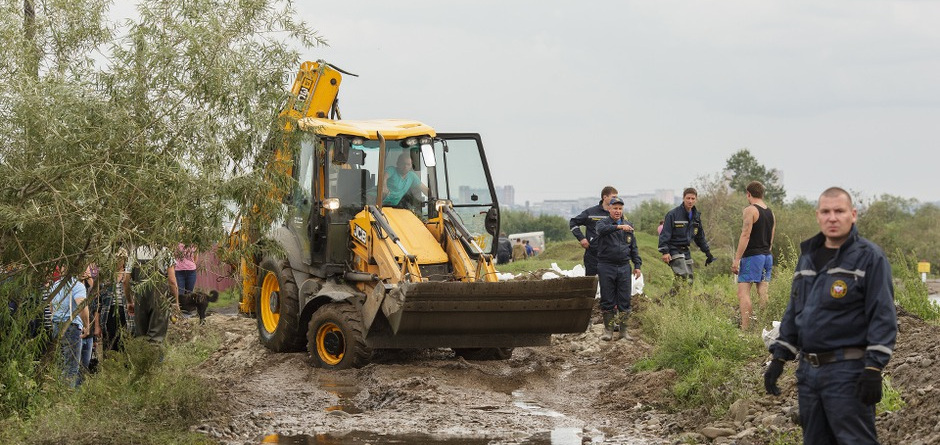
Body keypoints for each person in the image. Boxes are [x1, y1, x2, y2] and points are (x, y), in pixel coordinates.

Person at [764, 187, 897, 445]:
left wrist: (873, 367)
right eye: (826, 211)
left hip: (848, 372)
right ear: (817, 216)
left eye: (839, 211)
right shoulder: (807, 257)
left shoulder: (869, 258)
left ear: (853, 215)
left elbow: (883, 315)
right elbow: (794, 311)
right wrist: (779, 358)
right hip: (809, 372)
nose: (832, 217)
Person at [593, 196, 641, 341]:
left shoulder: (628, 226)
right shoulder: (603, 223)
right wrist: (618, 227)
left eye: (620, 209)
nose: (618, 211)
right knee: (607, 298)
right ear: (609, 209)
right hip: (606, 265)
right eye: (615, 208)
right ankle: (608, 331)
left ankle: (624, 332)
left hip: (624, 266)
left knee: (624, 299)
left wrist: (637, 265)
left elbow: (633, 247)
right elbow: (601, 231)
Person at [731, 181, 776, 330]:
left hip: (752, 257)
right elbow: (771, 238)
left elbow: (745, 235)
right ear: (762, 194)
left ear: (748, 194)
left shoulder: (750, 210)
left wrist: (737, 259)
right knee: (763, 292)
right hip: (767, 256)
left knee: (743, 293)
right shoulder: (770, 212)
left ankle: (745, 329)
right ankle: (765, 325)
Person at [658, 187, 714, 285]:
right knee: (682, 275)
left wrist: (708, 253)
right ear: (683, 198)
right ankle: (674, 298)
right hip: (673, 249)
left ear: (696, 200)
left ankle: (672, 299)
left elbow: (700, 237)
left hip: (686, 251)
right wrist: (665, 252)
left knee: (689, 281)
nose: (690, 201)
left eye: (693, 199)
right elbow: (665, 234)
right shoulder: (673, 214)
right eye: (688, 198)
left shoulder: (696, 217)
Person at [125, 246, 179, 345]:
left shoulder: (134, 252)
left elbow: (126, 280)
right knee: (156, 339)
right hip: (159, 300)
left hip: (139, 300)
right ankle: (155, 359)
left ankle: (142, 359)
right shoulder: (165, 252)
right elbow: (172, 281)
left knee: (141, 339)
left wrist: (129, 301)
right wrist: (175, 302)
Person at [48, 270, 89, 387]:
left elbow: (51, 307)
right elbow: (81, 304)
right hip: (71, 326)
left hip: (56, 324)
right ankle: (66, 394)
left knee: (61, 363)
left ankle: (57, 390)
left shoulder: (56, 285)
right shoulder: (78, 286)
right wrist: (87, 325)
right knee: (71, 366)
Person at [569, 186, 618, 276]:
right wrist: (581, 238)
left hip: (610, 256)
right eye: (613, 197)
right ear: (605, 197)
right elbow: (573, 223)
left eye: (616, 197)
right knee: (591, 284)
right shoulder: (591, 213)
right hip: (593, 255)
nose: (616, 200)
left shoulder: (616, 214)